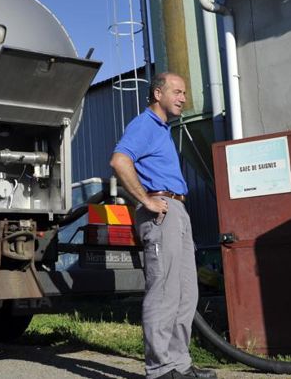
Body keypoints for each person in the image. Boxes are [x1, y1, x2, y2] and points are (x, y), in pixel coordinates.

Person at [110, 72, 215, 379]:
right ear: (158, 94)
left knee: (185, 292)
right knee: (165, 291)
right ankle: (160, 369)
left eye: (184, 92)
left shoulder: (163, 130)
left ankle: (179, 365)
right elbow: (119, 161)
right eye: (177, 92)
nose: (183, 98)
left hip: (177, 210)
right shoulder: (145, 124)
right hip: (161, 212)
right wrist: (146, 200)